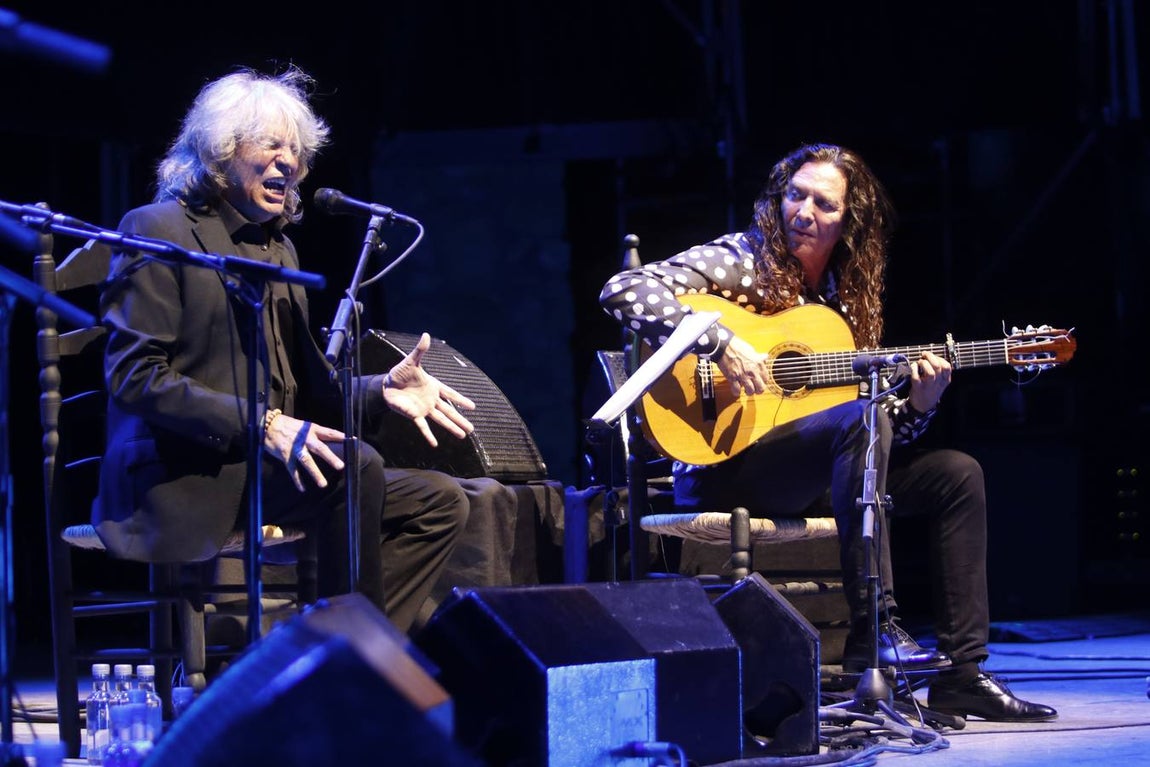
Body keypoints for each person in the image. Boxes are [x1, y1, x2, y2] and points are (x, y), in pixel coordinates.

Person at [599, 142, 1057, 722]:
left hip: (808, 471)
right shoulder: (743, 259)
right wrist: (717, 340)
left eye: (824, 203)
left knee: (956, 475)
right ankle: (877, 624)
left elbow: (869, 438)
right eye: (795, 195)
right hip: (723, 466)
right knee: (859, 424)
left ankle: (962, 673)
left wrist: (917, 404)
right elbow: (623, 290)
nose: (804, 211)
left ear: (849, 221)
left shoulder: (848, 298)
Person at [93, 65, 475, 634]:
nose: (289, 162)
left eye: (296, 150)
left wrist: (380, 391)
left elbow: (308, 388)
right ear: (221, 151)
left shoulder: (281, 251)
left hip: (263, 471)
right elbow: (135, 377)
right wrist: (261, 421)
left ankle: (328, 653)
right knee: (358, 469)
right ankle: (350, 667)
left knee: (440, 501)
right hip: (181, 471)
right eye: (272, 144)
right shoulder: (157, 230)